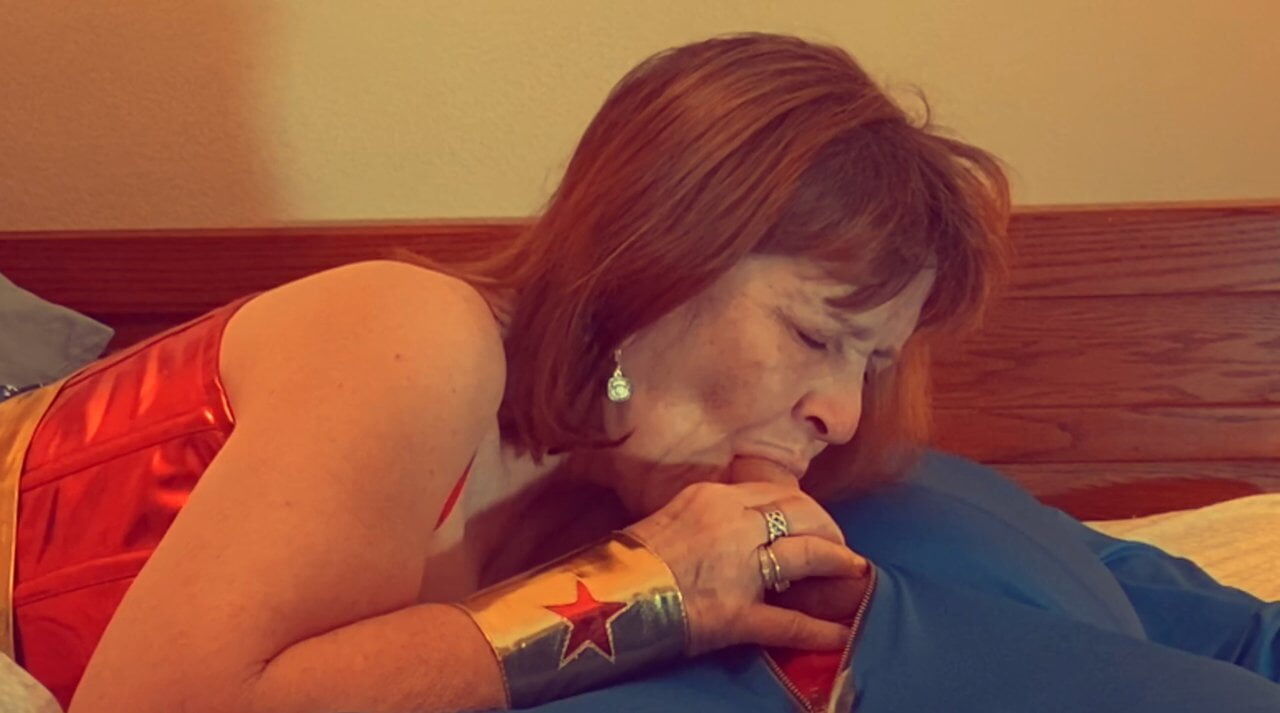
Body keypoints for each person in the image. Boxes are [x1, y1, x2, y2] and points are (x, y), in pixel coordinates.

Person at [0, 31, 1014, 712]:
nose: (844, 412)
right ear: (660, 252)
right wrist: (642, 590)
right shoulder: (416, 335)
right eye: (814, 332)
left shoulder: (606, 490)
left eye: (873, 362)